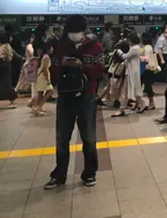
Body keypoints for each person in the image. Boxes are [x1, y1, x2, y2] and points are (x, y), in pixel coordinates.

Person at [45, 15, 104, 189]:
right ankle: (59, 174)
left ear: (83, 31)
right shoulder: (62, 47)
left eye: (76, 32)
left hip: (87, 97)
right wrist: (61, 64)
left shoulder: (95, 47)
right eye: (70, 32)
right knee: (62, 138)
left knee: (89, 138)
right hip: (65, 97)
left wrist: (81, 66)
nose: (73, 35)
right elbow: (53, 71)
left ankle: (89, 173)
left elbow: (100, 70)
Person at [111, 32, 145, 117]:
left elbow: (124, 57)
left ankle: (122, 109)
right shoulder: (137, 48)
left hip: (131, 72)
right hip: (133, 71)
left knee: (125, 91)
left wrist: (118, 51)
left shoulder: (134, 49)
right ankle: (141, 104)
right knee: (135, 89)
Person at [32, 38, 55, 116]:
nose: (52, 49)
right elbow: (45, 69)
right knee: (50, 91)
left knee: (40, 93)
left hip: (39, 76)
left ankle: (37, 107)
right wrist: (48, 79)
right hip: (43, 77)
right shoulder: (47, 57)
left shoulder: (42, 56)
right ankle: (39, 106)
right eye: (51, 47)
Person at [141, 32, 159, 110]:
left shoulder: (146, 48)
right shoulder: (150, 46)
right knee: (147, 86)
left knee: (146, 86)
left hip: (147, 69)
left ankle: (150, 103)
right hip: (149, 69)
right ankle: (148, 102)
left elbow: (147, 59)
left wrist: (139, 58)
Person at [0, 31, 17, 109]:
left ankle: (12, 100)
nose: (11, 38)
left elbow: (1, 57)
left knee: (6, 84)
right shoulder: (7, 45)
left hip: (4, 65)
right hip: (6, 65)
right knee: (6, 83)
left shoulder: (4, 46)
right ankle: (12, 100)